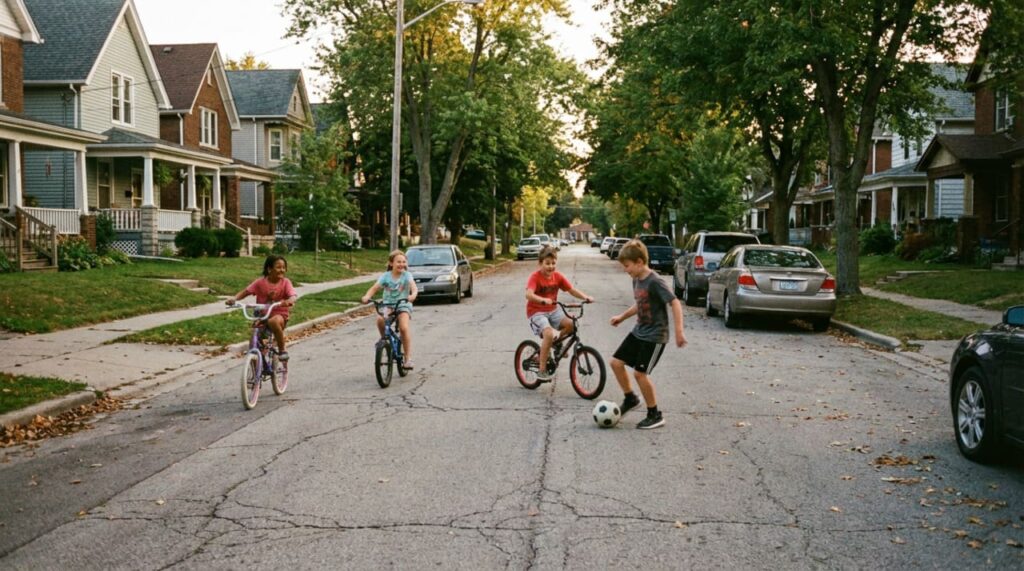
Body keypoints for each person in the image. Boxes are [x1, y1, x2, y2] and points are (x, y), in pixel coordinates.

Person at [609, 239, 686, 429]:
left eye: (627, 266)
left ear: (639, 262)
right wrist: (622, 317)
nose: (626, 270)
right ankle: (630, 398)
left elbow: (674, 302)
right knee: (616, 363)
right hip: (639, 331)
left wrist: (678, 331)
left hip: (655, 335)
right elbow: (640, 303)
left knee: (640, 374)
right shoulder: (636, 279)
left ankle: (655, 414)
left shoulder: (655, 281)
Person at [525, 245, 594, 381]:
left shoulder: (557, 277)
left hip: (553, 310)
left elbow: (571, 290)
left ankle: (556, 344)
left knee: (572, 325)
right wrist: (542, 300)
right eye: (547, 263)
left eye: (553, 263)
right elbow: (528, 294)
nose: (551, 266)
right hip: (536, 312)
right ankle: (542, 370)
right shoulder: (535, 277)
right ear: (540, 263)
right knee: (549, 334)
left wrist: (585, 297)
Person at [226, 255, 298, 361]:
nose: (282, 270)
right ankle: (255, 370)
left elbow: (293, 295)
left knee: (274, 321)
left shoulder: (285, 282)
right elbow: (246, 292)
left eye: (283, 267)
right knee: (254, 339)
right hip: (263, 316)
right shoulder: (260, 282)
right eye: (278, 267)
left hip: (279, 315)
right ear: (269, 269)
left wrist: (289, 301)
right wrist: (234, 299)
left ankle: (282, 350)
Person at [361, 250, 419, 369]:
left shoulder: (407, 275)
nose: (401, 264)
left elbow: (414, 287)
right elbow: (374, 288)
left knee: (403, 327)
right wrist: (367, 296)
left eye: (404, 262)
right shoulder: (386, 276)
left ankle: (407, 358)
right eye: (398, 262)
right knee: (380, 320)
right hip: (388, 305)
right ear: (391, 263)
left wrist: (413, 295)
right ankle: (385, 340)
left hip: (403, 304)